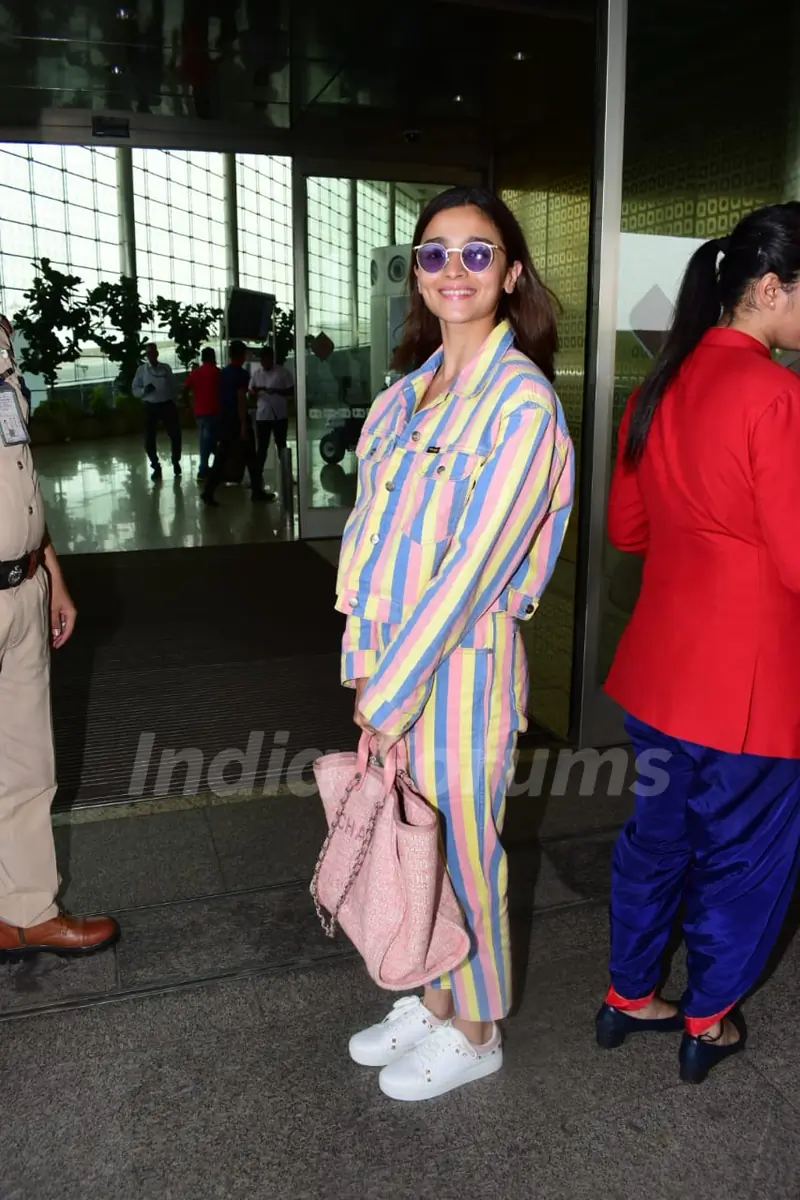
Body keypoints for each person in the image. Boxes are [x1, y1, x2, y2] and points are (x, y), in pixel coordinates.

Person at [337, 186, 574, 1101]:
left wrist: (386, 698)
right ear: (417, 274)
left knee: (467, 849)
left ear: (511, 273)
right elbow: (368, 543)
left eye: (478, 253)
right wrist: (367, 675)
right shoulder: (402, 399)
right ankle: (434, 999)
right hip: (393, 665)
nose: (454, 270)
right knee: (417, 844)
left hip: (462, 667)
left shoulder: (521, 405)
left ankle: (478, 1028)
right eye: (434, 253)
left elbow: (472, 570)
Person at [596, 202, 800, 1085]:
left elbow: (627, 532)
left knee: (657, 839)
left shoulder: (658, 387)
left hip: (657, 677)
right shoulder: (780, 395)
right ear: (769, 288)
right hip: (752, 687)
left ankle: (628, 995)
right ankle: (708, 1019)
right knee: (743, 857)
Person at [0, 315, 119, 959]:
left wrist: (52, 571)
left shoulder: (1, 336)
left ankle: (25, 910)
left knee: (26, 764)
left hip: (23, 585)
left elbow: (18, 467)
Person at [201, 340, 274, 507]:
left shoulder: (223, 373)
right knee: (247, 456)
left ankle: (254, 491)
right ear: (243, 355)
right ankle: (255, 492)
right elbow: (241, 399)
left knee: (230, 457)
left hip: (225, 419)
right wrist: (243, 424)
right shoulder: (241, 374)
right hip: (237, 421)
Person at [132, 343, 182, 481]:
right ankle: (155, 465)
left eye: (153, 352)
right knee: (149, 438)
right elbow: (135, 389)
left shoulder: (165, 368)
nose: (152, 355)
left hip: (167, 404)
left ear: (157, 354)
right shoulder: (141, 370)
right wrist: (144, 391)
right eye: (149, 353)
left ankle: (176, 461)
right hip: (150, 406)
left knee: (175, 434)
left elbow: (173, 385)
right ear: (146, 355)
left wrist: (176, 400)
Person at [248, 345, 292, 478]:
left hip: (279, 415)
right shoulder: (257, 374)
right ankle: (257, 475)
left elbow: (291, 390)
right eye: (263, 360)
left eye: (267, 360)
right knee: (262, 448)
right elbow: (250, 393)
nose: (265, 363)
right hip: (263, 416)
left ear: (272, 359)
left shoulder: (282, 372)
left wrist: (276, 391)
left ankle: (287, 475)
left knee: (281, 446)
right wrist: (255, 391)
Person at [185, 346, 221, 483]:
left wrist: (188, 406)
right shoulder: (217, 372)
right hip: (215, 412)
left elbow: (185, 389)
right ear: (213, 357)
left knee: (206, 441)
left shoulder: (195, 373)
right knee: (210, 441)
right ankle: (204, 469)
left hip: (200, 413)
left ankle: (210, 468)